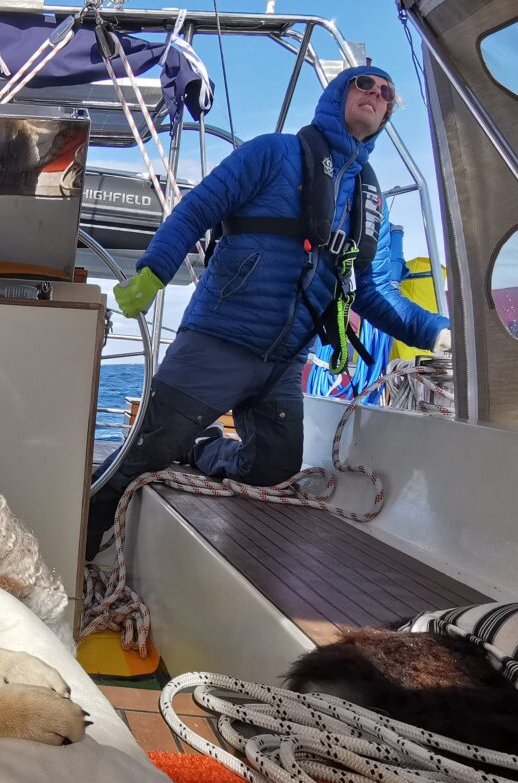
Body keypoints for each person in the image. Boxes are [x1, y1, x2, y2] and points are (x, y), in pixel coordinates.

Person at [85, 65, 451, 558]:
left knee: (273, 476)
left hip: (284, 362)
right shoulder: (272, 153)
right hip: (218, 340)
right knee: (142, 455)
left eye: (387, 93)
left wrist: (439, 334)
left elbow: (373, 293)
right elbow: (197, 210)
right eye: (365, 84)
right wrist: (154, 273)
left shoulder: (371, 203)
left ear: (387, 113)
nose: (376, 94)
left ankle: (203, 449)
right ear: (338, 94)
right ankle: (78, 548)